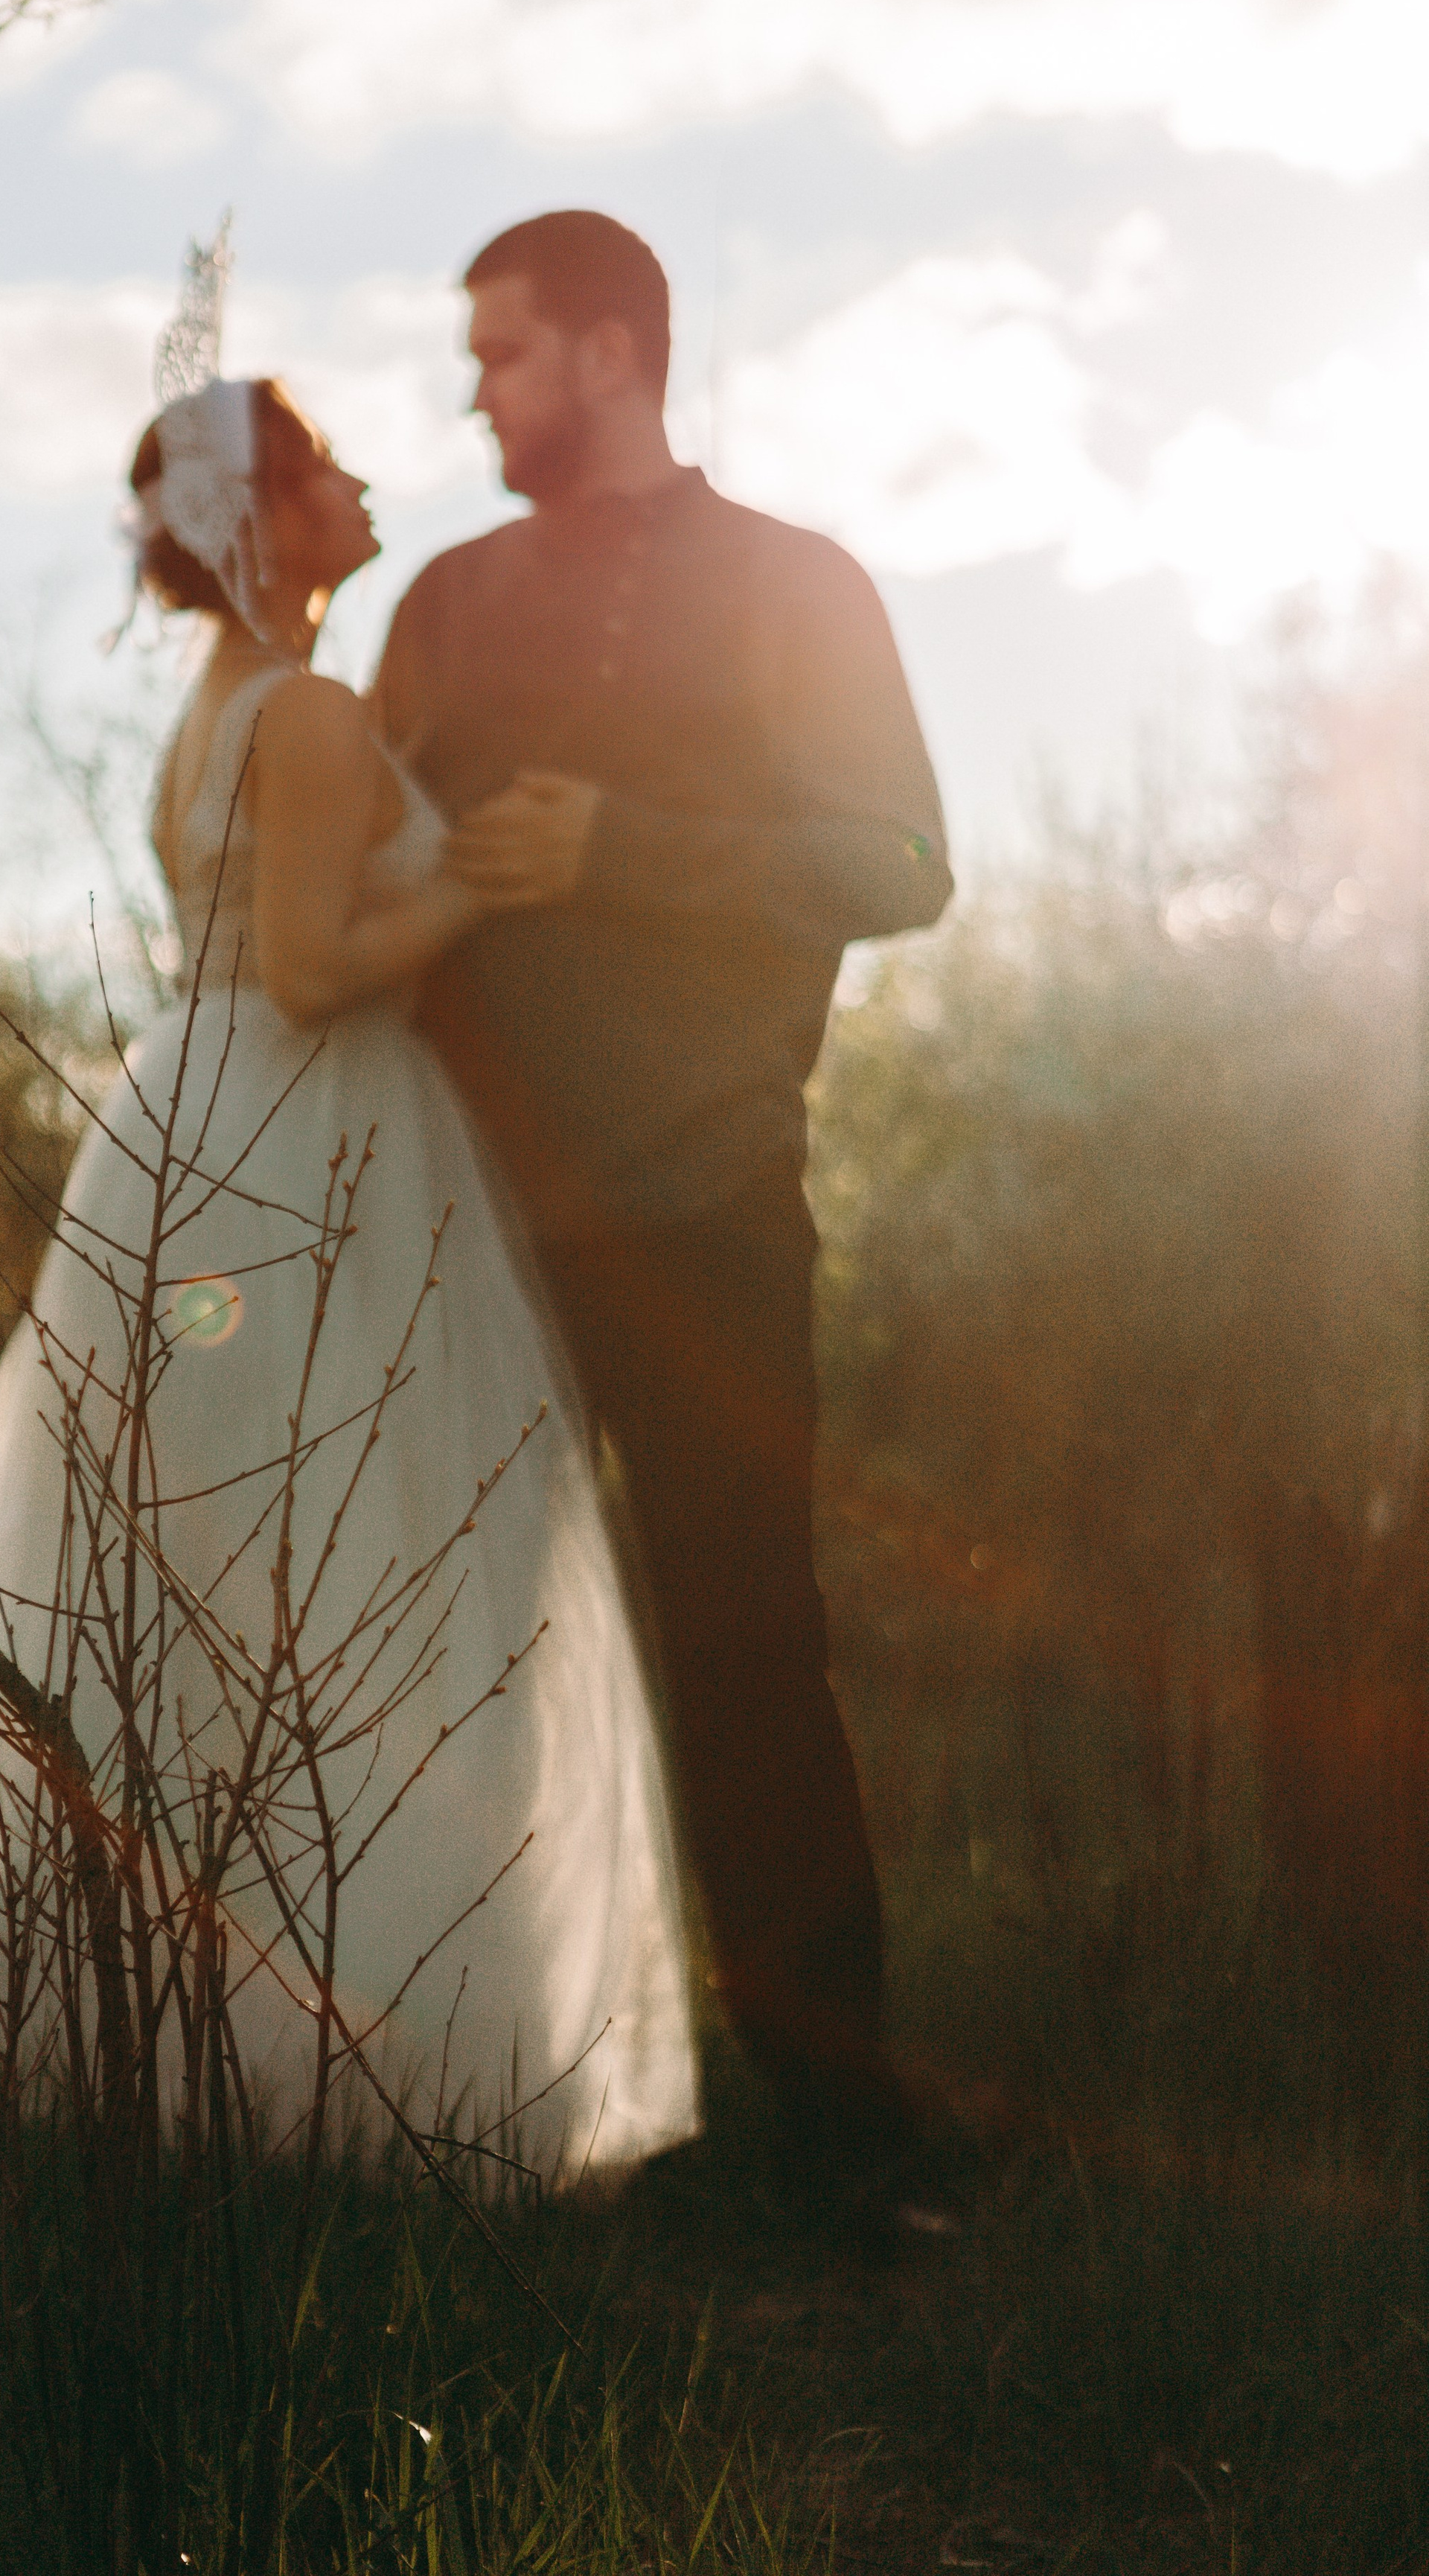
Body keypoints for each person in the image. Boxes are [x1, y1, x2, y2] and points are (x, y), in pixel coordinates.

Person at [0, 345, 700, 2183]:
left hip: (193, 1132)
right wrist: (483, 871)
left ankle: (157, 2034)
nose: (369, 485)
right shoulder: (301, 711)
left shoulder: (224, 701)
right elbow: (312, 967)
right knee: (362, 1563)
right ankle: (373, 2076)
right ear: (274, 520)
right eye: (330, 467)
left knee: (211, 1580)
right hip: (308, 1139)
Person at [373, 211, 953, 2215]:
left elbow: (900, 862)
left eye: (505, 351)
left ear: (615, 354)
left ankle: (839, 2137)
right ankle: (514, 2110)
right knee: (463, 1660)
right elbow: (368, 863)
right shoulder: (442, 600)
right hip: (463, 1223)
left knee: (741, 1649)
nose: (476, 390)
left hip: (706, 1206)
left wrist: (629, 847)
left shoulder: (797, 585)